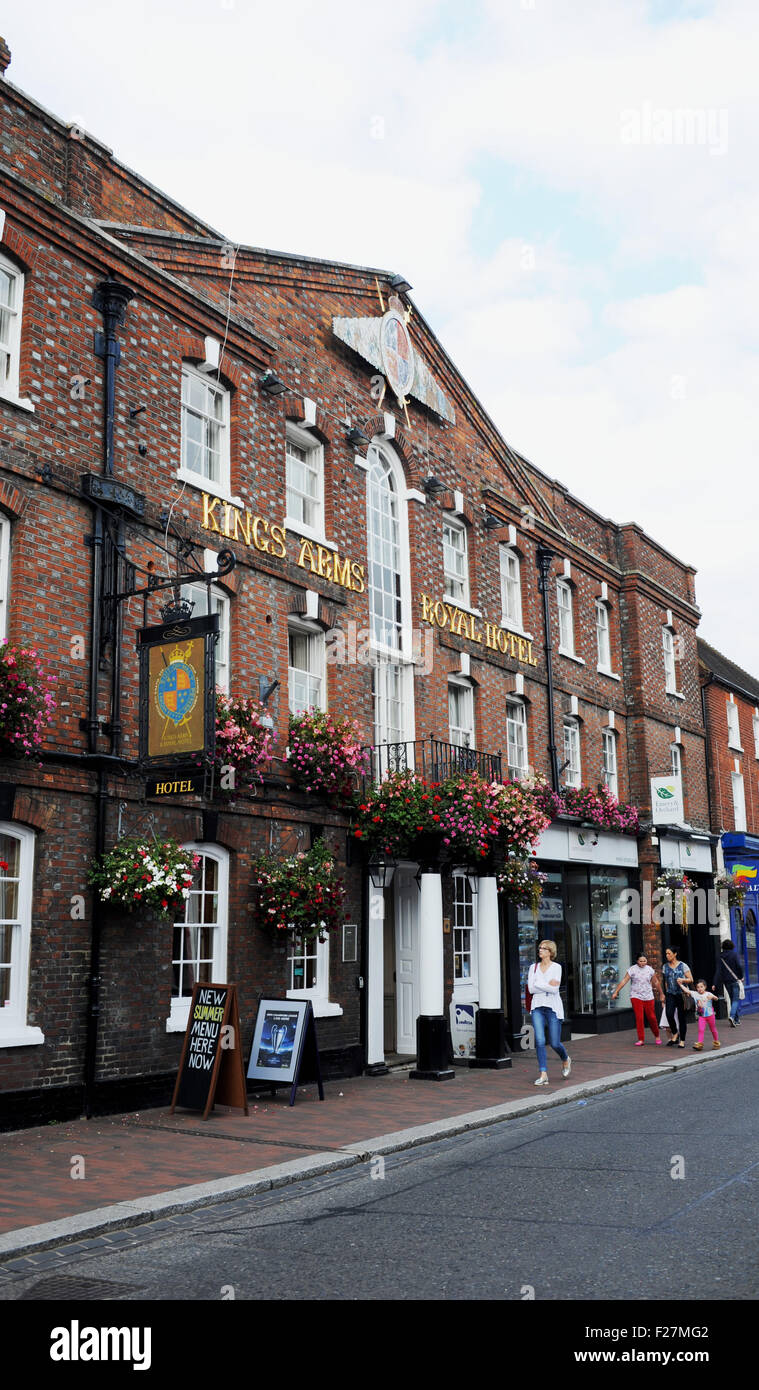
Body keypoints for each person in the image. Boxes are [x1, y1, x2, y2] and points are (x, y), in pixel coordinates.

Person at [528, 939, 571, 1086]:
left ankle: (565, 1059)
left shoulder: (556, 967)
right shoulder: (533, 967)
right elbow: (531, 989)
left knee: (554, 1043)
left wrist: (539, 984)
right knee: (539, 1041)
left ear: (550, 952)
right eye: (540, 948)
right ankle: (543, 1073)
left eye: (544, 948)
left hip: (553, 1007)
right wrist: (546, 985)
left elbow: (554, 989)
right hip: (537, 1006)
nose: (540, 950)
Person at [611, 953, 665, 1045]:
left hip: (648, 996)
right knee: (639, 1018)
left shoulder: (649, 970)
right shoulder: (632, 969)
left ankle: (657, 1036)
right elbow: (624, 980)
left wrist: (661, 993)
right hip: (636, 996)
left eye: (644, 961)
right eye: (641, 961)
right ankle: (641, 1039)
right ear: (637, 961)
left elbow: (656, 982)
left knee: (651, 1017)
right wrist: (616, 991)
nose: (643, 963)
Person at [662, 946, 693, 1048]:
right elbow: (666, 981)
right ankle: (675, 1032)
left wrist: (683, 980)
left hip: (681, 995)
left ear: (675, 954)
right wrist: (666, 994)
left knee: (681, 1018)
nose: (667, 956)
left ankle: (682, 1040)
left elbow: (691, 979)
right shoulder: (665, 967)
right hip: (670, 994)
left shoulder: (683, 966)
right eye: (666, 954)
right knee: (669, 1014)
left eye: (669, 953)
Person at [678, 978, 720, 1050]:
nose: (699, 989)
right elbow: (687, 990)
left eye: (701, 987)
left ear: (705, 987)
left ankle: (716, 1042)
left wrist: (713, 997)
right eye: (698, 987)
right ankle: (700, 1044)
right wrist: (680, 984)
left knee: (713, 1029)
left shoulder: (708, 994)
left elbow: (717, 998)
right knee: (701, 1029)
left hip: (710, 1016)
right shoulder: (695, 994)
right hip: (701, 1016)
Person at [712, 939, 744, 1028]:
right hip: (734, 980)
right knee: (736, 1000)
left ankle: (736, 1020)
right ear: (732, 946)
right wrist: (741, 976)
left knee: (732, 999)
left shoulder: (720, 956)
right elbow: (739, 966)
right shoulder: (734, 954)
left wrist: (714, 983)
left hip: (725, 982)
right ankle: (732, 1016)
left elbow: (718, 971)